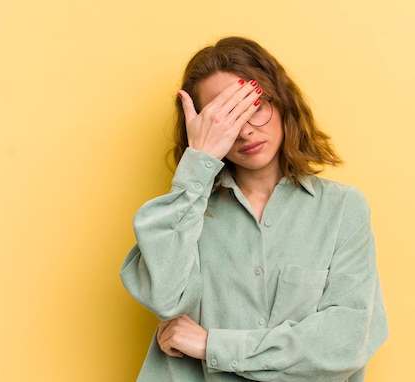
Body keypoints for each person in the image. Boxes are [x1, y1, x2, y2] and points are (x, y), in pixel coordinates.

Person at [120, 36, 388, 381]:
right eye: (225, 117)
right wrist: (198, 163)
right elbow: (164, 298)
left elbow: (345, 341)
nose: (245, 130)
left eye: (254, 106)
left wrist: (212, 346)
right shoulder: (183, 216)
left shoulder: (342, 209)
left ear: (282, 103)